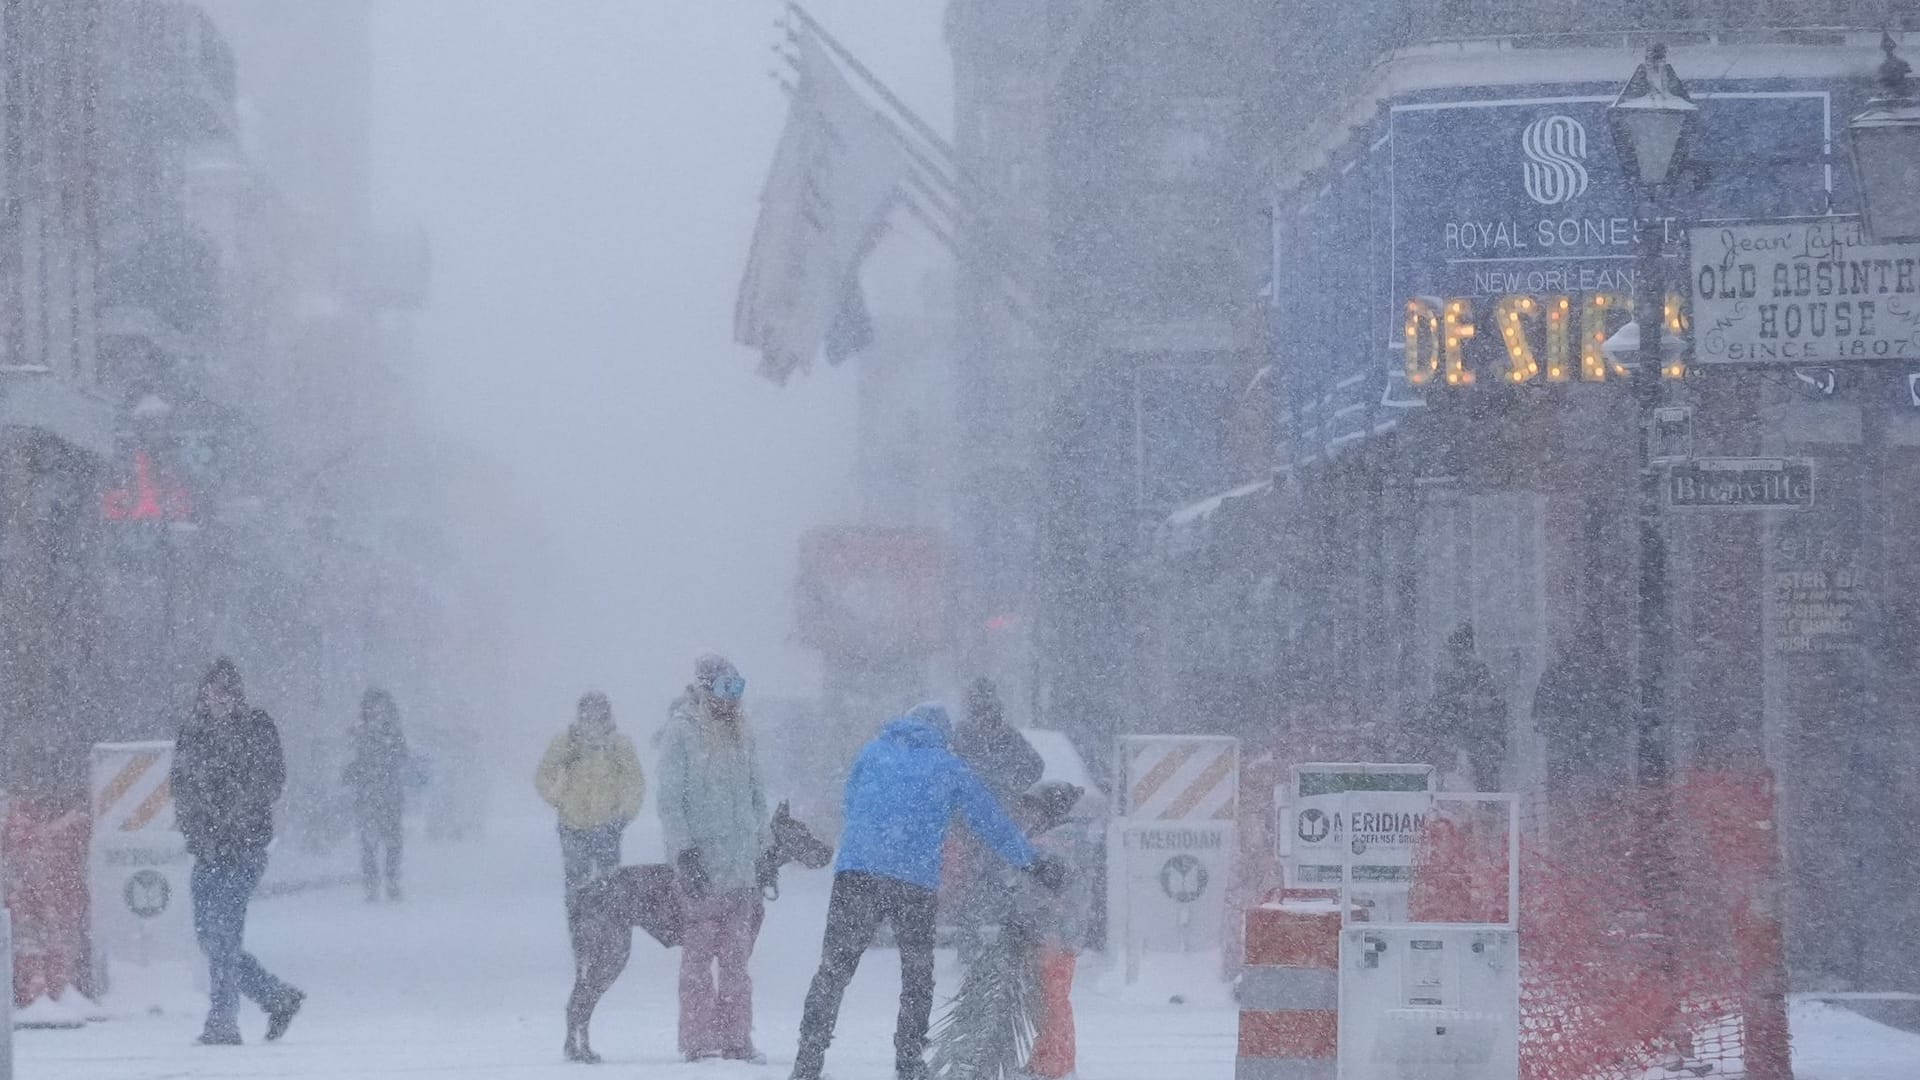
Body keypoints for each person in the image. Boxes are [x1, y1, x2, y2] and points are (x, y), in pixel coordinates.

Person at [790, 703, 1063, 1080]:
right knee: (916, 975)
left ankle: (807, 1058)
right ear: (942, 734)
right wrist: (1030, 860)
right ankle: (909, 1061)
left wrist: (871, 843)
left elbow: (850, 803)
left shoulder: (872, 752)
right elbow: (989, 820)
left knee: (833, 970)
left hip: (857, 874)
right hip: (913, 880)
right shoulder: (947, 766)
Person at [171, 658, 304, 1045]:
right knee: (208, 937)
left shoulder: (256, 728)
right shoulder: (193, 733)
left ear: (238, 694)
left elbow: (271, 780)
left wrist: (236, 814)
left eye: (228, 690)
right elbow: (180, 784)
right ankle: (277, 997)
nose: (220, 698)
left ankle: (222, 1021)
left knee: (225, 934)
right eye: (214, 689)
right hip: (206, 850)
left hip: (244, 849)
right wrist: (195, 825)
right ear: (204, 692)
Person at [657, 654, 770, 1063]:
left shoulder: (742, 732)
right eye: (725, 689)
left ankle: (737, 1038)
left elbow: (758, 795)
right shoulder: (683, 733)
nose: (732, 699)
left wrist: (763, 848)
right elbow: (670, 800)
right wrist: (684, 851)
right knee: (699, 959)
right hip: (701, 867)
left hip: (741, 869)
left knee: (737, 960)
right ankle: (698, 1039)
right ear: (706, 689)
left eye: (738, 688)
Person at [944, 678, 1046, 942]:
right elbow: (1035, 766)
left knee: (970, 880)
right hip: (1001, 817)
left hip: (967, 819)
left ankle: (970, 937)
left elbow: (946, 770)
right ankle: (1005, 937)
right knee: (998, 876)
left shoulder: (960, 735)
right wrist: (1011, 786)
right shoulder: (1007, 735)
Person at [1011, 781, 1098, 1080]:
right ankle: (1044, 1057)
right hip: (1046, 932)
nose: (1029, 816)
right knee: (1042, 998)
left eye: (1034, 809)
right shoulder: (1051, 839)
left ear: (1052, 810)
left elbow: (1045, 892)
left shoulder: (1058, 844)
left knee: (1052, 998)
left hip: (1055, 935)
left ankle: (1058, 1063)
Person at [536, 691, 646, 895]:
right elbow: (543, 775)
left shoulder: (619, 744)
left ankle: (610, 925)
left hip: (608, 825)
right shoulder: (567, 741)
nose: (593, 714)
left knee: (610, 887)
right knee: (577, 887)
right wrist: (560, 800)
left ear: (607, 712)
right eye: (588, 709)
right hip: (572, 826)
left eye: (599, 709)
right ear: (581, 712)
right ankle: (579, 925)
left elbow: (635, 782)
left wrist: (625, 815)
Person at [342, 688, 411, 902]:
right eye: (372, 705)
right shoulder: (359, 731)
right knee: (369, 842)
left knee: (392, 841)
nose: (376, 709)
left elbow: (402, 756)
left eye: (380, 705)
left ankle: (391, 880)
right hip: (368, 795)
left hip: (388, 794)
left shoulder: (392, 731)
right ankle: (372, 884)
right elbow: (352, 760)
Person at [1421, 623, 1510, 791]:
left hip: (1473, 742)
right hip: (1470, 743)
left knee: (1476, 788)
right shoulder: (1469, 674)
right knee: (1478, 789)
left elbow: (1490, 704)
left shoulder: (1473, 673)